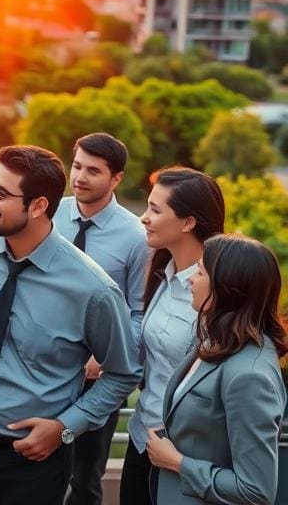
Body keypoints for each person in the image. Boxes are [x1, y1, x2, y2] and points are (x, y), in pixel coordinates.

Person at [0, 145, 140, 505]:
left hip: (35, 461)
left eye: (1, 194)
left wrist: (65, 428)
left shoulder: (93, 290)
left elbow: (123, 373)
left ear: (38, 206)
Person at [146, 234, 288, 504]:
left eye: (200, 272)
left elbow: (255, 490)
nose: (189, 279)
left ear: (227, 287)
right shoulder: (213, 337)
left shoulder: (250, 376)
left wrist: (177, 462)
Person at [122, 166, 225, 505]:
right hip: (141, 442)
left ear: (187, 222)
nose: (143, 218)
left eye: (155, 209)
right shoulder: (161, 275)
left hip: (184, 456)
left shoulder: (215, 293)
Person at [56, 133, 149, 505]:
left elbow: (140, 311)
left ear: (116, 179)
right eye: (77, 166)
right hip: (46, 364)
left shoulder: (137, 237)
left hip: (99, 377)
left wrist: (108, 359)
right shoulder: (49, 213)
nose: (80, 177)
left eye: (93, 171)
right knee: (34, 466)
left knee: (85, 478)